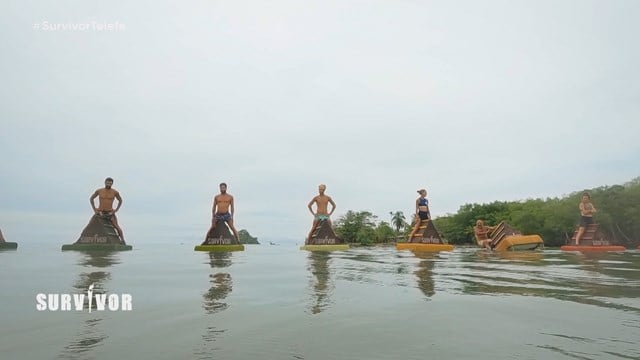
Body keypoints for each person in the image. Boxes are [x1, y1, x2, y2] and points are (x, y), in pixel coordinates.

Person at [90, 177, 124, 243]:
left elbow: (120, 201)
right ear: (105, 182)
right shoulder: (99, 191)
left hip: (110, 212)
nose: (109, 184)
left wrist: (115, 210)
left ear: (112, 184)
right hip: (100, 211)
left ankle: (122, 240)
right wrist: (95, 210)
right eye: (108, 182)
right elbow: (91, 199)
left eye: (110, 183)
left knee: (116, 226)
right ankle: (80, 240)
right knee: (90, 223)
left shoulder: (115, 192)